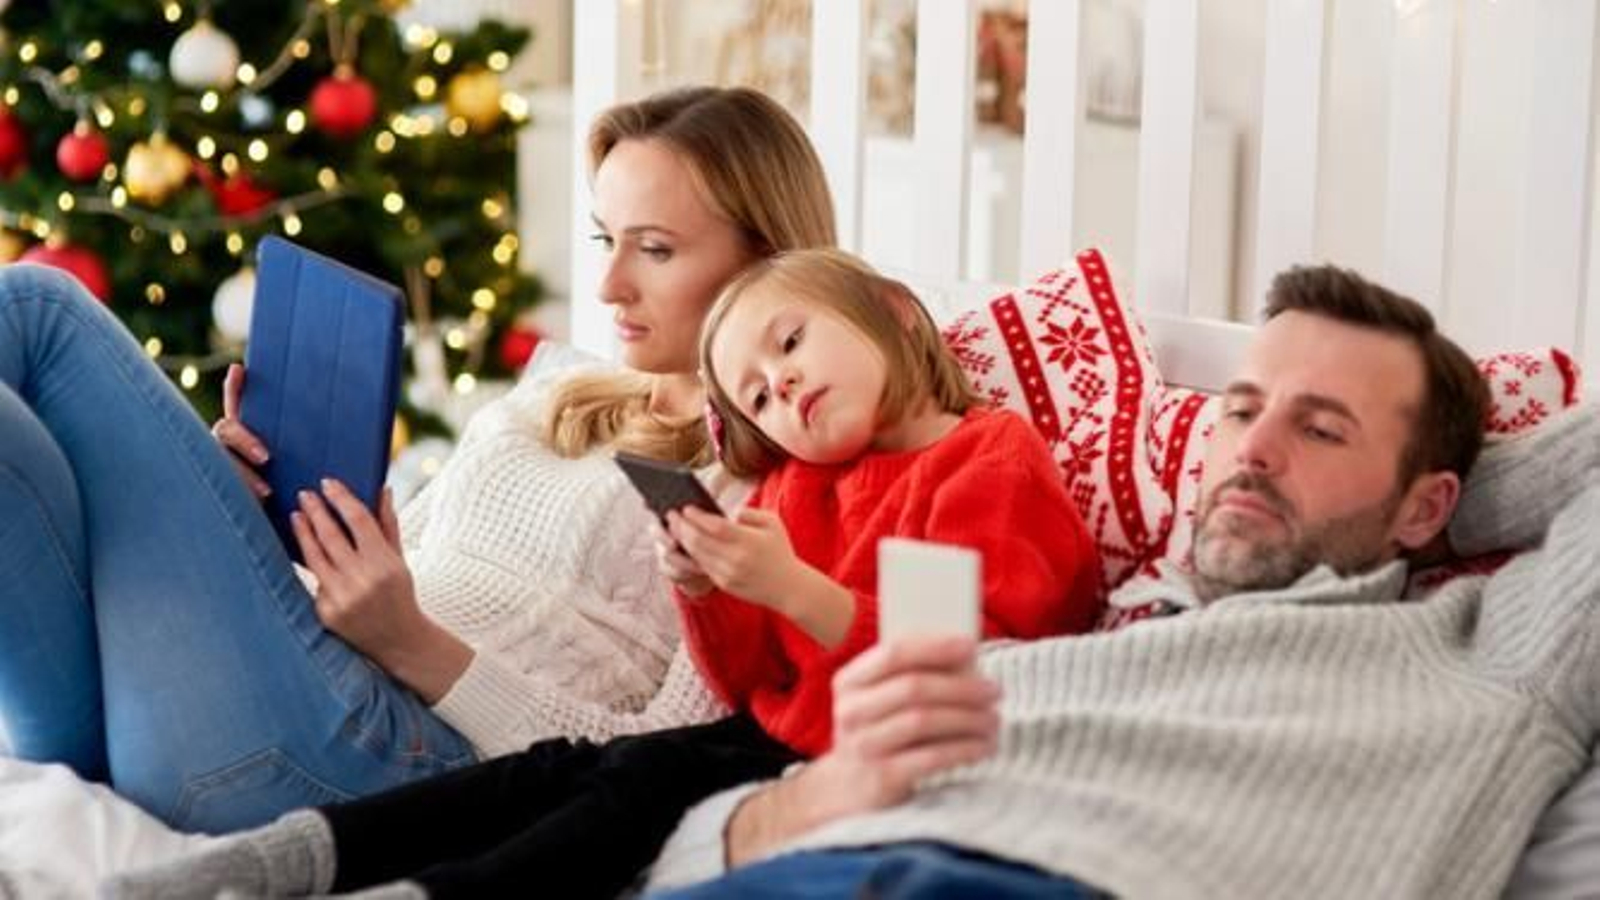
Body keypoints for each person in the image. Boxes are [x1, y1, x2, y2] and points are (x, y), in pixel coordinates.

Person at [101, 248, 1103, 900]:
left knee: (626, 791)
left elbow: (974, 648)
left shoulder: (986, 458)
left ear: (895, 311)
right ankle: (281, 858)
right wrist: (707, 589)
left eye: (791, 344)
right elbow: (754, 674)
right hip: (775, 729)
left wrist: (794, 588)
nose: (783, 385)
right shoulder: (804, 483)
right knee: (551, 772)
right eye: (758, 394)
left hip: (864, 746)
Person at [0, 85, 836, 835]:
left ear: (767, 262)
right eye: (604, 238)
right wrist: (241, 510)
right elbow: (401, 563)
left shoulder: (771, 489)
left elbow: (661, 761)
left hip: (398, 757)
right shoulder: (563, 389)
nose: (609, 285)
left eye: (654, 250)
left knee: (38, 308)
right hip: (299, 682)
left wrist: (410, 644)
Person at [635, 265, 1600, 900]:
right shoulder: (1096, 632)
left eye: (1320, 428)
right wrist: (811, 801)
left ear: (1430, 506)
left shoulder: (1487, 656)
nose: (1251, 451)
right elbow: (688, 859)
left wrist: (1445, 496)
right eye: (1241, 410)